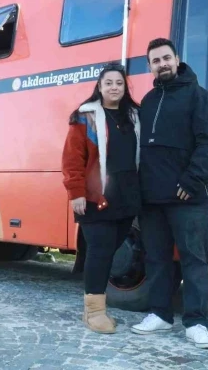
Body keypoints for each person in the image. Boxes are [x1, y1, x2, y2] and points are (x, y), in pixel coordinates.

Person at [130, 38, 208, 349]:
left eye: (166, 58)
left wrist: (192, 180)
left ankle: (196, 323)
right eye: (156, 61)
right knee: (156, 259)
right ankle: (160, 314)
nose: (162, 64)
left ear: (177, 59)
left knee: (194, 260)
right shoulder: (147, 101)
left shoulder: (199, 96)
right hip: (152, 199)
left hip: (188, 197)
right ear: (150, 67)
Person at [61, 63, 141, 334]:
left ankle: (94, 309)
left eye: (119, 83)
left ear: (125, 86)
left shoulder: (135, 116)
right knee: (99, 251)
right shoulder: (85, 117)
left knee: (109, 251)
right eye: (109, 83)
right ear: (99, 86)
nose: (114, 88)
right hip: (96, 197)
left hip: (127, 197)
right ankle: (94, 313)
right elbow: (72, 159)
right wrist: (76, 193)